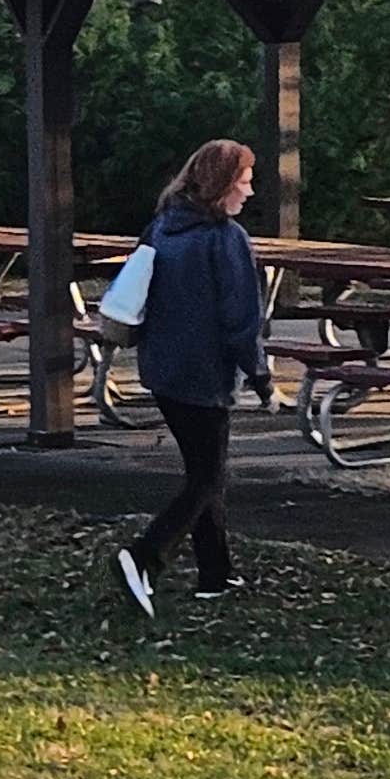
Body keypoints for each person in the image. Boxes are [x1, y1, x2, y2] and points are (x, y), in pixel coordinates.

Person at [114, 138, 272, 620]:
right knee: (206, 478)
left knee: (205, 473)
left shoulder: (163, 225)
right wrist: (262, 377)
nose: (249, 191)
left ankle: (215, 574)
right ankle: (144, 557)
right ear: (223, 185)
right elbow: (241, 319)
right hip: (204, 374)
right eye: (244, 181)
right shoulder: (226, 239)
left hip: (162, 369)